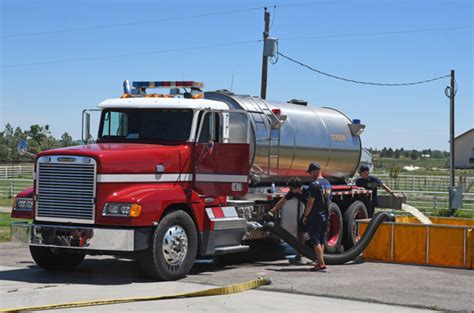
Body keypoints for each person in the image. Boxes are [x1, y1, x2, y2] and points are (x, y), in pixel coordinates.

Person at [268, 177, 309, 265]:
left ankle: (319, 259)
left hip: (315, 213)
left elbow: (314, 203)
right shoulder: (293, 193)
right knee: (300, 232)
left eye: (291, 188)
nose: (290, 190)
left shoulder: (308, 190)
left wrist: (308, 215)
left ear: (297, 187)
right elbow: (283, 201)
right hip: (307, 213)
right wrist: (273, 210)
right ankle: (299, 256)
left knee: (316, 236)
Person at [302, 162, 331, 271]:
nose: (310, 174)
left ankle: (321, 263)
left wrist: (305, 215)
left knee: (315, 241)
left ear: (315, 171)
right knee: (321, 240)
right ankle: (320, 262)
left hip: (316, 216)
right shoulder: (327, 183)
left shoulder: (314, 184)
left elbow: (310, 203)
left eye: (310, 172)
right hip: (325, 215)